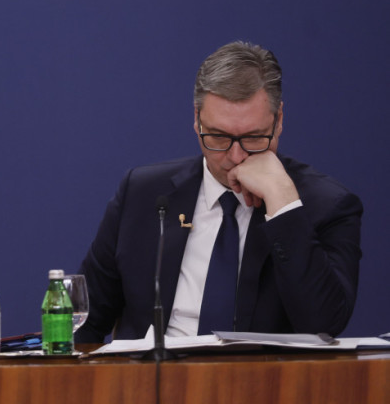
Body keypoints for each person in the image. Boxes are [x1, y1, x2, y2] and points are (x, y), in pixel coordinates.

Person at [75, 42, 362, 343]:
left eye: (254, 138)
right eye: (218, 137)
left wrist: (283, 204)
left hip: (262, 373)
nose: (236, 156)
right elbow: (83, 322)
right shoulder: (143, 193)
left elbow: (324, 325)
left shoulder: (326, 205)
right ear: (197, 119)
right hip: (153, 370)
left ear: (278, 121)